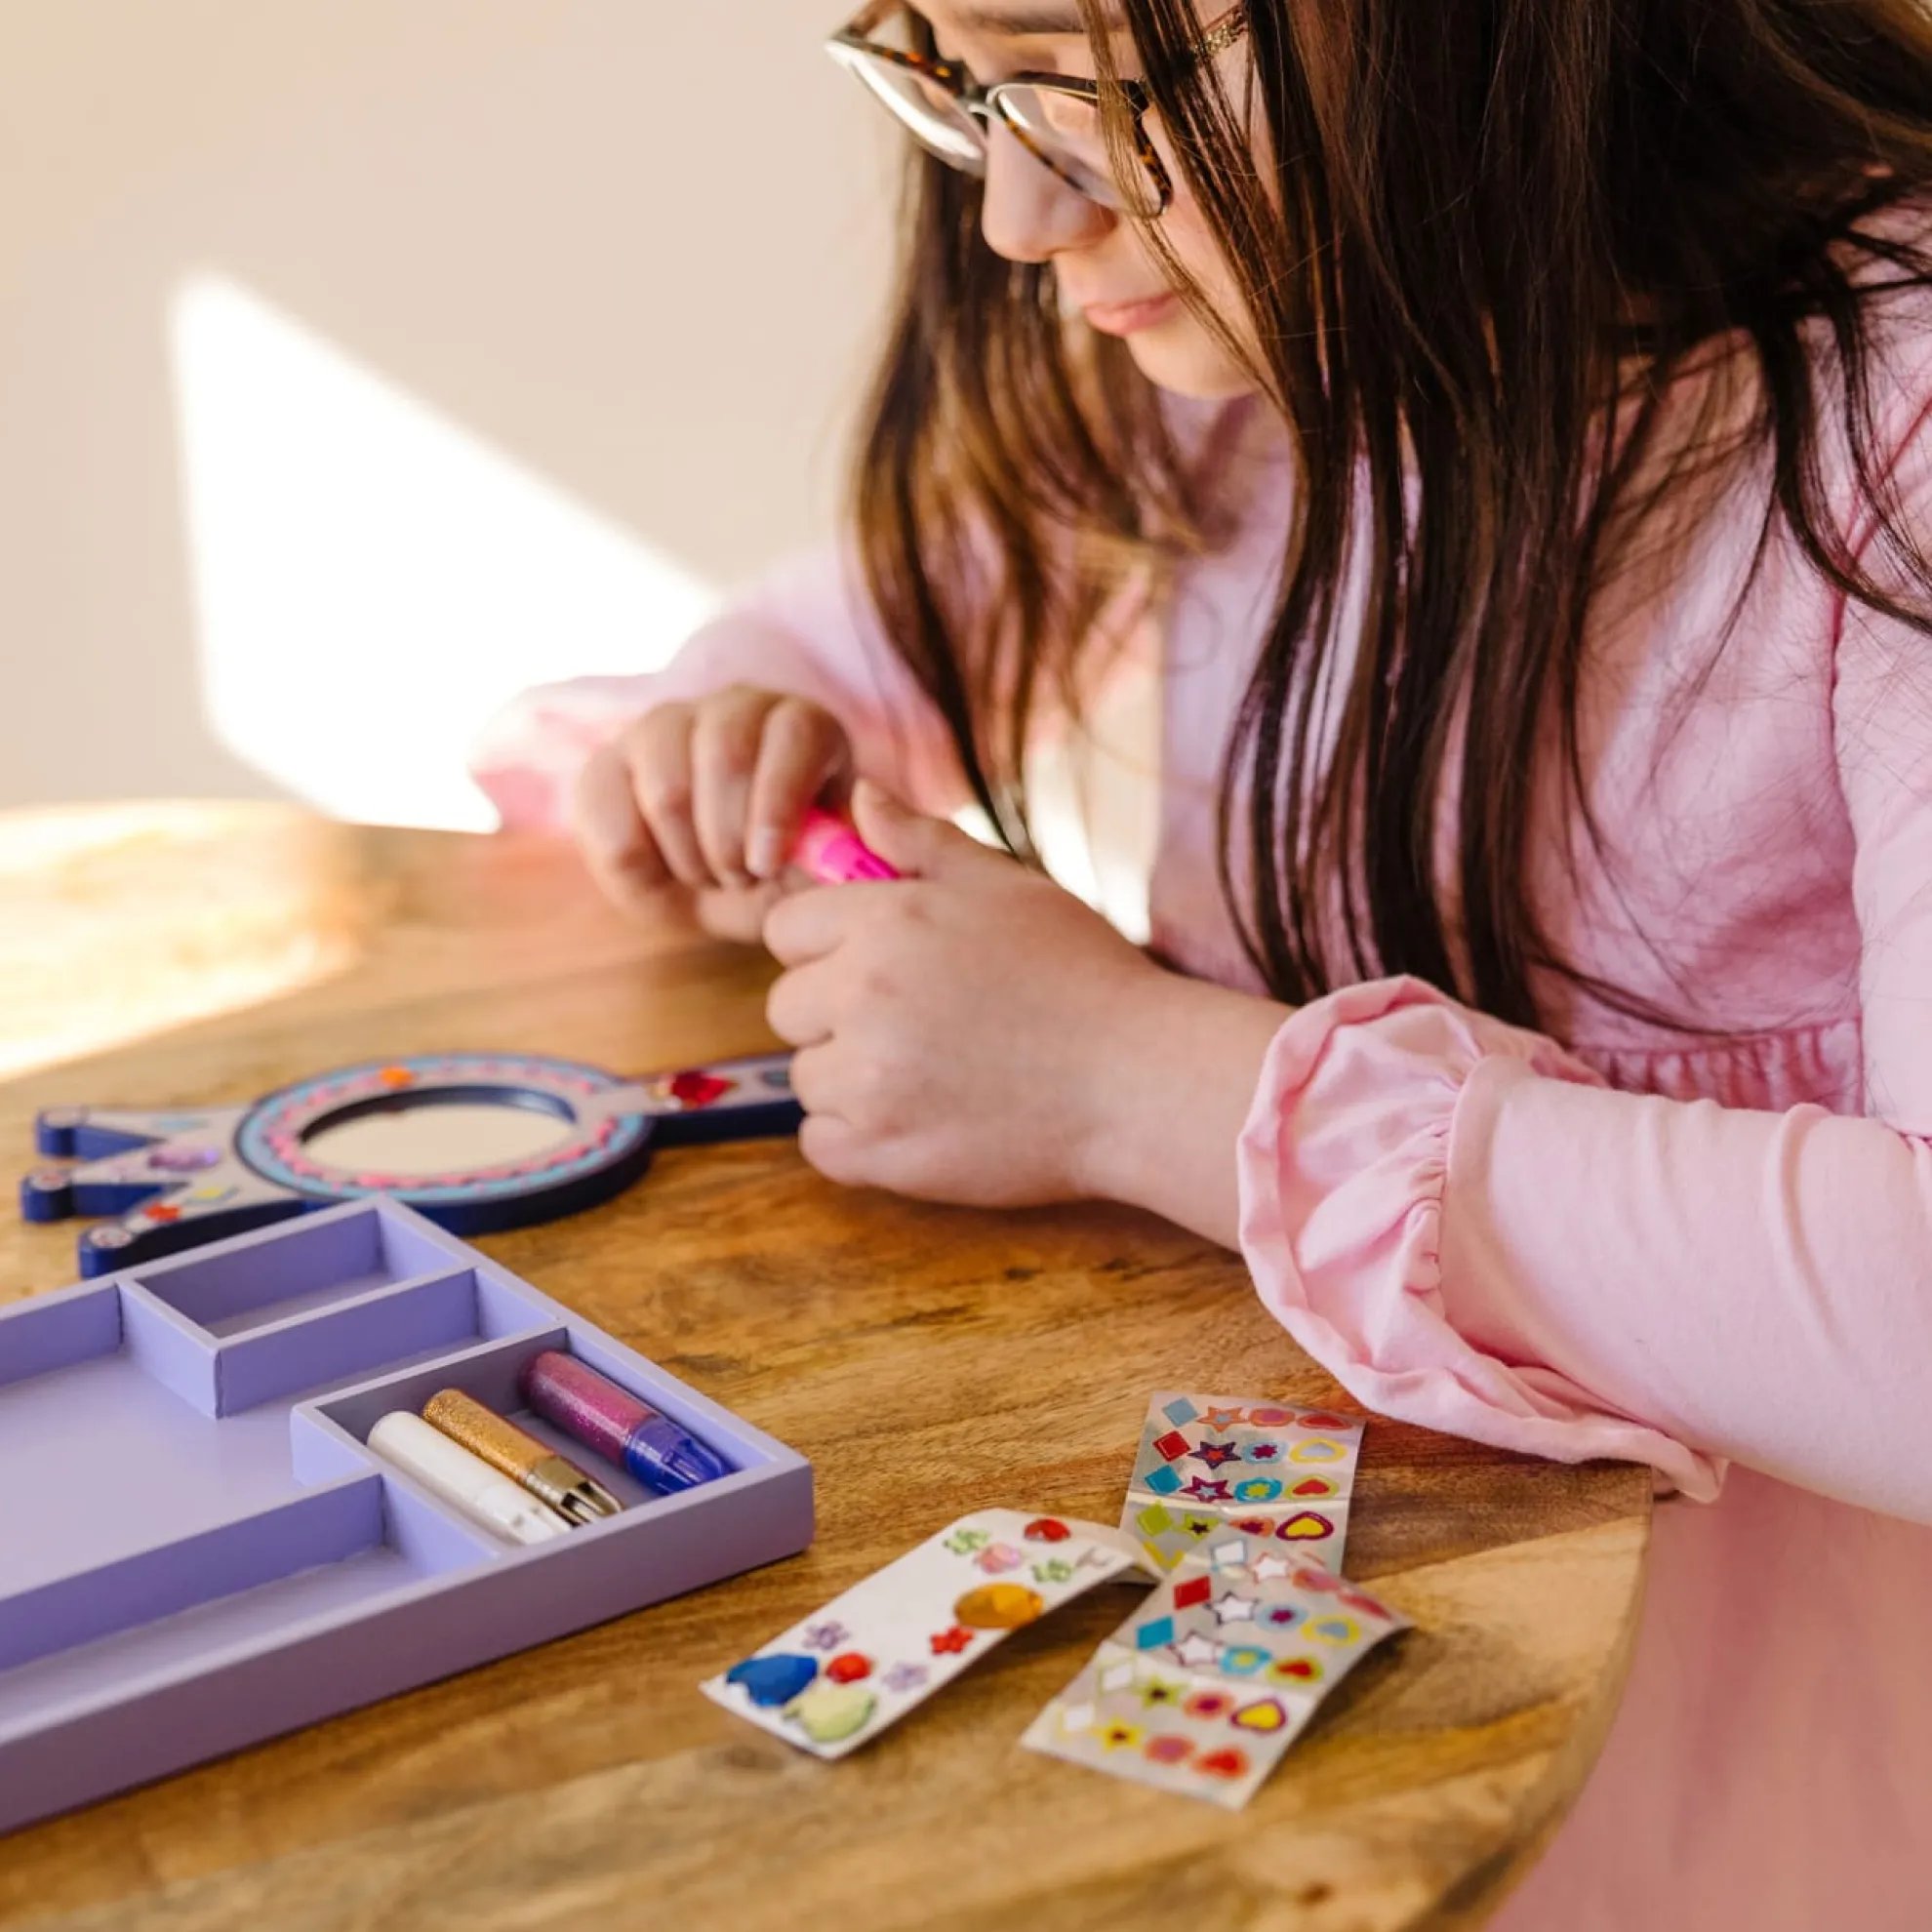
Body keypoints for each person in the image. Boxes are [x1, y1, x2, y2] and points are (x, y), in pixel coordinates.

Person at [472, 4, 1932, 1923]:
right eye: (947, 73)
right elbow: (844, 638)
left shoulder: (1888, 432)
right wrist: (741, 722)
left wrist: (1126, 1078)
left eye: (1068, 65)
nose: (1008, 211)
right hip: (1307, 1773)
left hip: (1737, 1803)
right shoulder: (1244, 349)